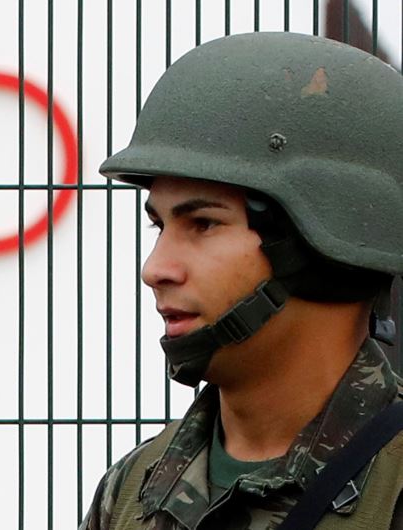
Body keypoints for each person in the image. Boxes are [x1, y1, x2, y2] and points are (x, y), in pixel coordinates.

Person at [80, 32, 403, 529]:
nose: (155, 269)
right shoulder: (132, 491)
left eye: (203, 224)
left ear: (315, 245)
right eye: (160, 225)